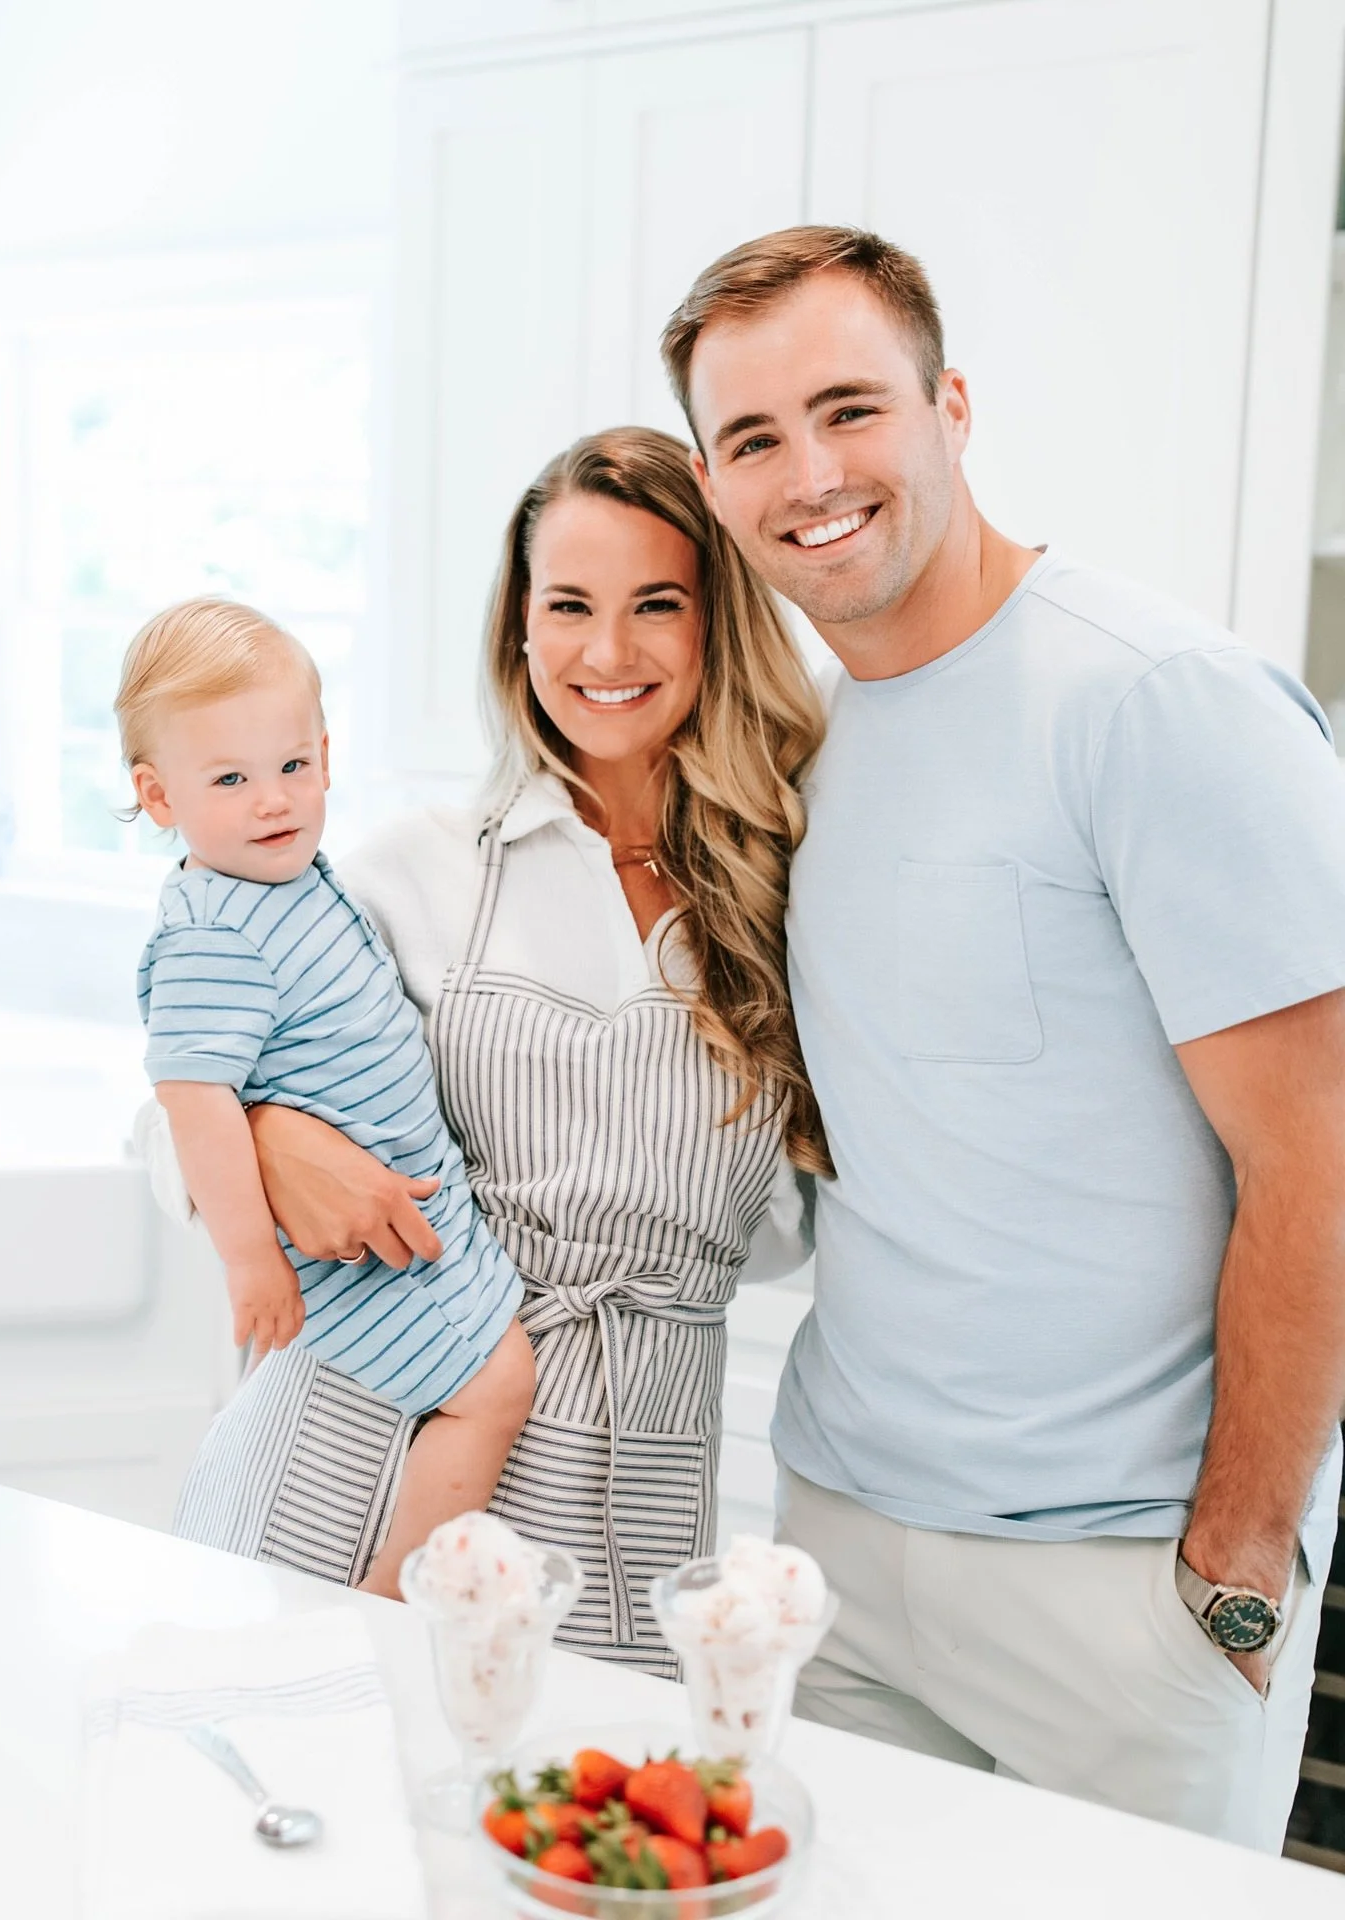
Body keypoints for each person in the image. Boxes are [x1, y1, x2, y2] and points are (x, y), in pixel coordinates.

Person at [660, 224, 1345, 1847]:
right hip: (838, 1541)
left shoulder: (1158, 702)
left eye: (851, 408)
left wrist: (1237, 1566)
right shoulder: (810, 750)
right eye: (753, 438)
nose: (808, 472)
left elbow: (1319, 1159)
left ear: (950, 404)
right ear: (713, 479)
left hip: (1121, 1589)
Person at [143, 428, 829, 1672]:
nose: (605, 652)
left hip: (632, 1509)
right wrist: (263, 1137)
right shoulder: (413, 867)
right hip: (355, 1469)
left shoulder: (797, 896)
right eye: (567, 604)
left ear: (715, 626)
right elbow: (165, 1107)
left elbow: (813, 1217)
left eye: (656, 605)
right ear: (520, 628)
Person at [116, 600, 535, 1598]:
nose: (273, 801)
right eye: (230, 779)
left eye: (292, 766)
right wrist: (251, 1256)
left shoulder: (288, 881)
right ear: (158, 795)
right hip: (352, 1260)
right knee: (497, 1388)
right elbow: (190, 1097)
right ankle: (393, 1600)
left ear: (327, 754)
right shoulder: (214, 931)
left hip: (417, 1218)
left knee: (495, 1376)